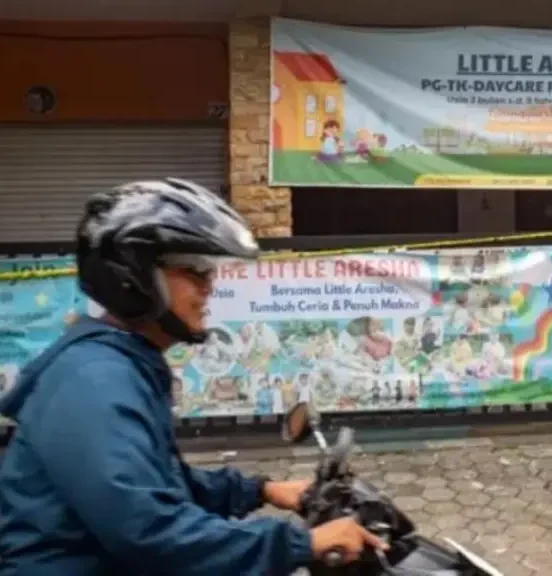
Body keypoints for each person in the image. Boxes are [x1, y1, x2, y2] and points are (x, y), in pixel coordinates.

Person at [0, 178, 387, 575]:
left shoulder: (119, 364)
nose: (209, 288)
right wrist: (301, 543)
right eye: (194, 271)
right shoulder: (95, 382)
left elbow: (156, 482)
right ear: (133, 277)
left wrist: (259, 490)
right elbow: (148, 530)